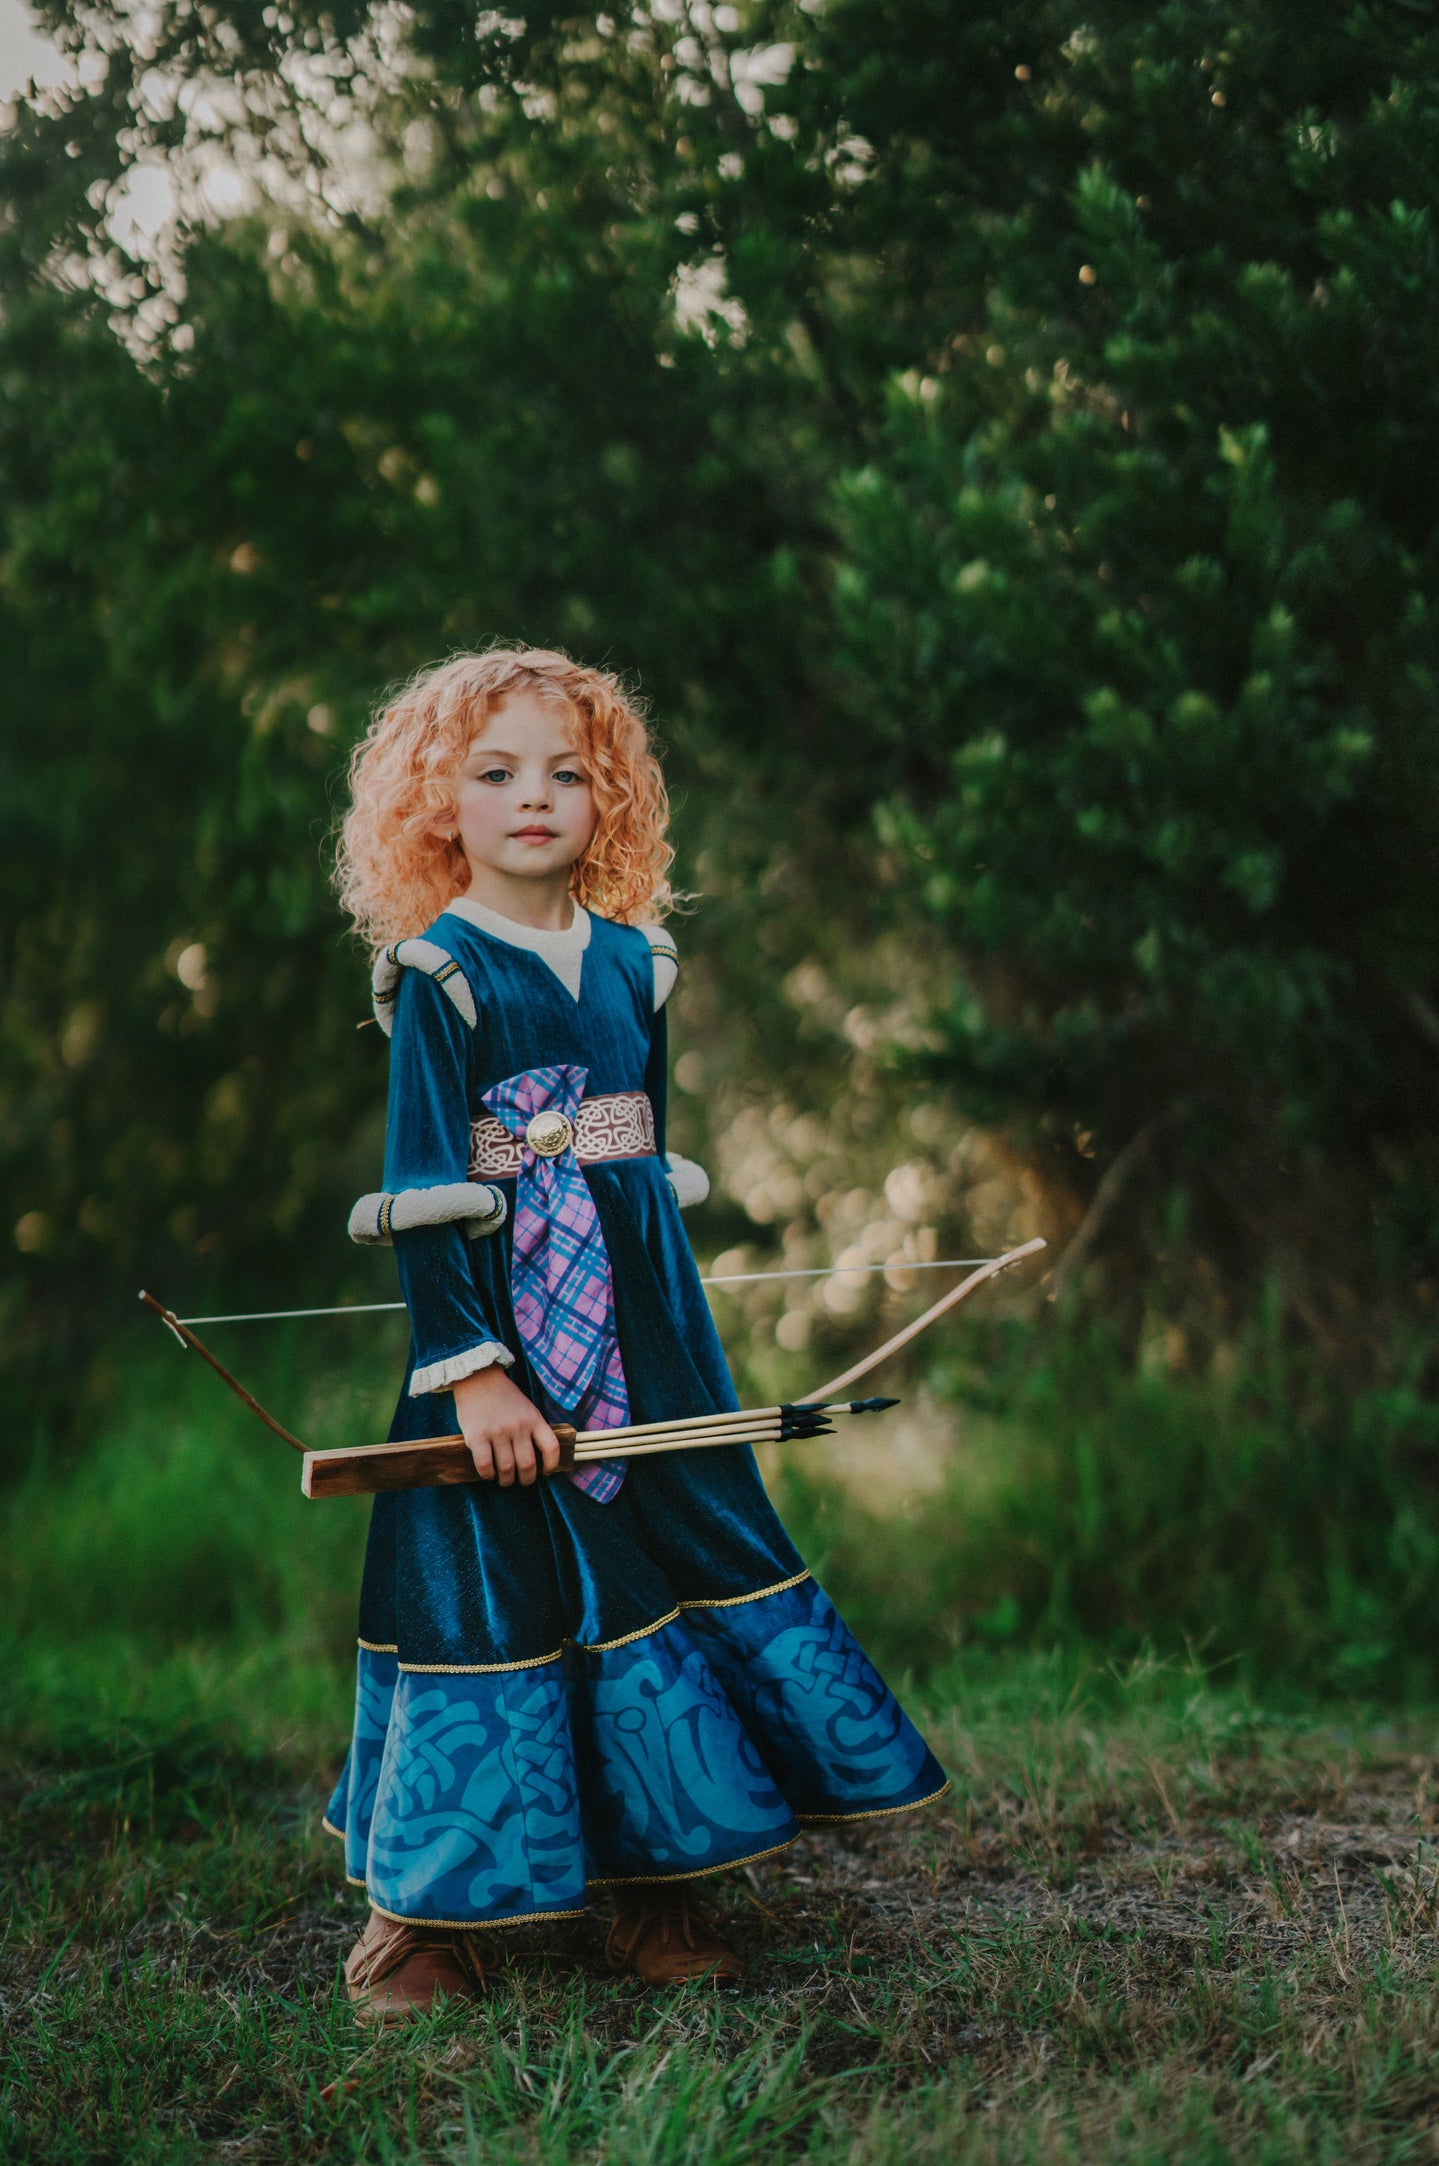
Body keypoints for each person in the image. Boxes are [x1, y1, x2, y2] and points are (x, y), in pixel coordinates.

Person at [326, 645, 946, 2022]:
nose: (532, 796)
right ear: (440, 804)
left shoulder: (631, 962)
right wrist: (476, 1372)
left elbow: (640, 1150)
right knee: (497, 1584)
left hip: (645, 1340)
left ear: (610, 798)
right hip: (500, 1340)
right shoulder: (439, 971)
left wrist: (657, 1311)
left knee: (662, 1562)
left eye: (565, 771)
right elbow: (430, 1188)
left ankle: (656, 1880)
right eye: (493, 773)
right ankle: (424, 1918)